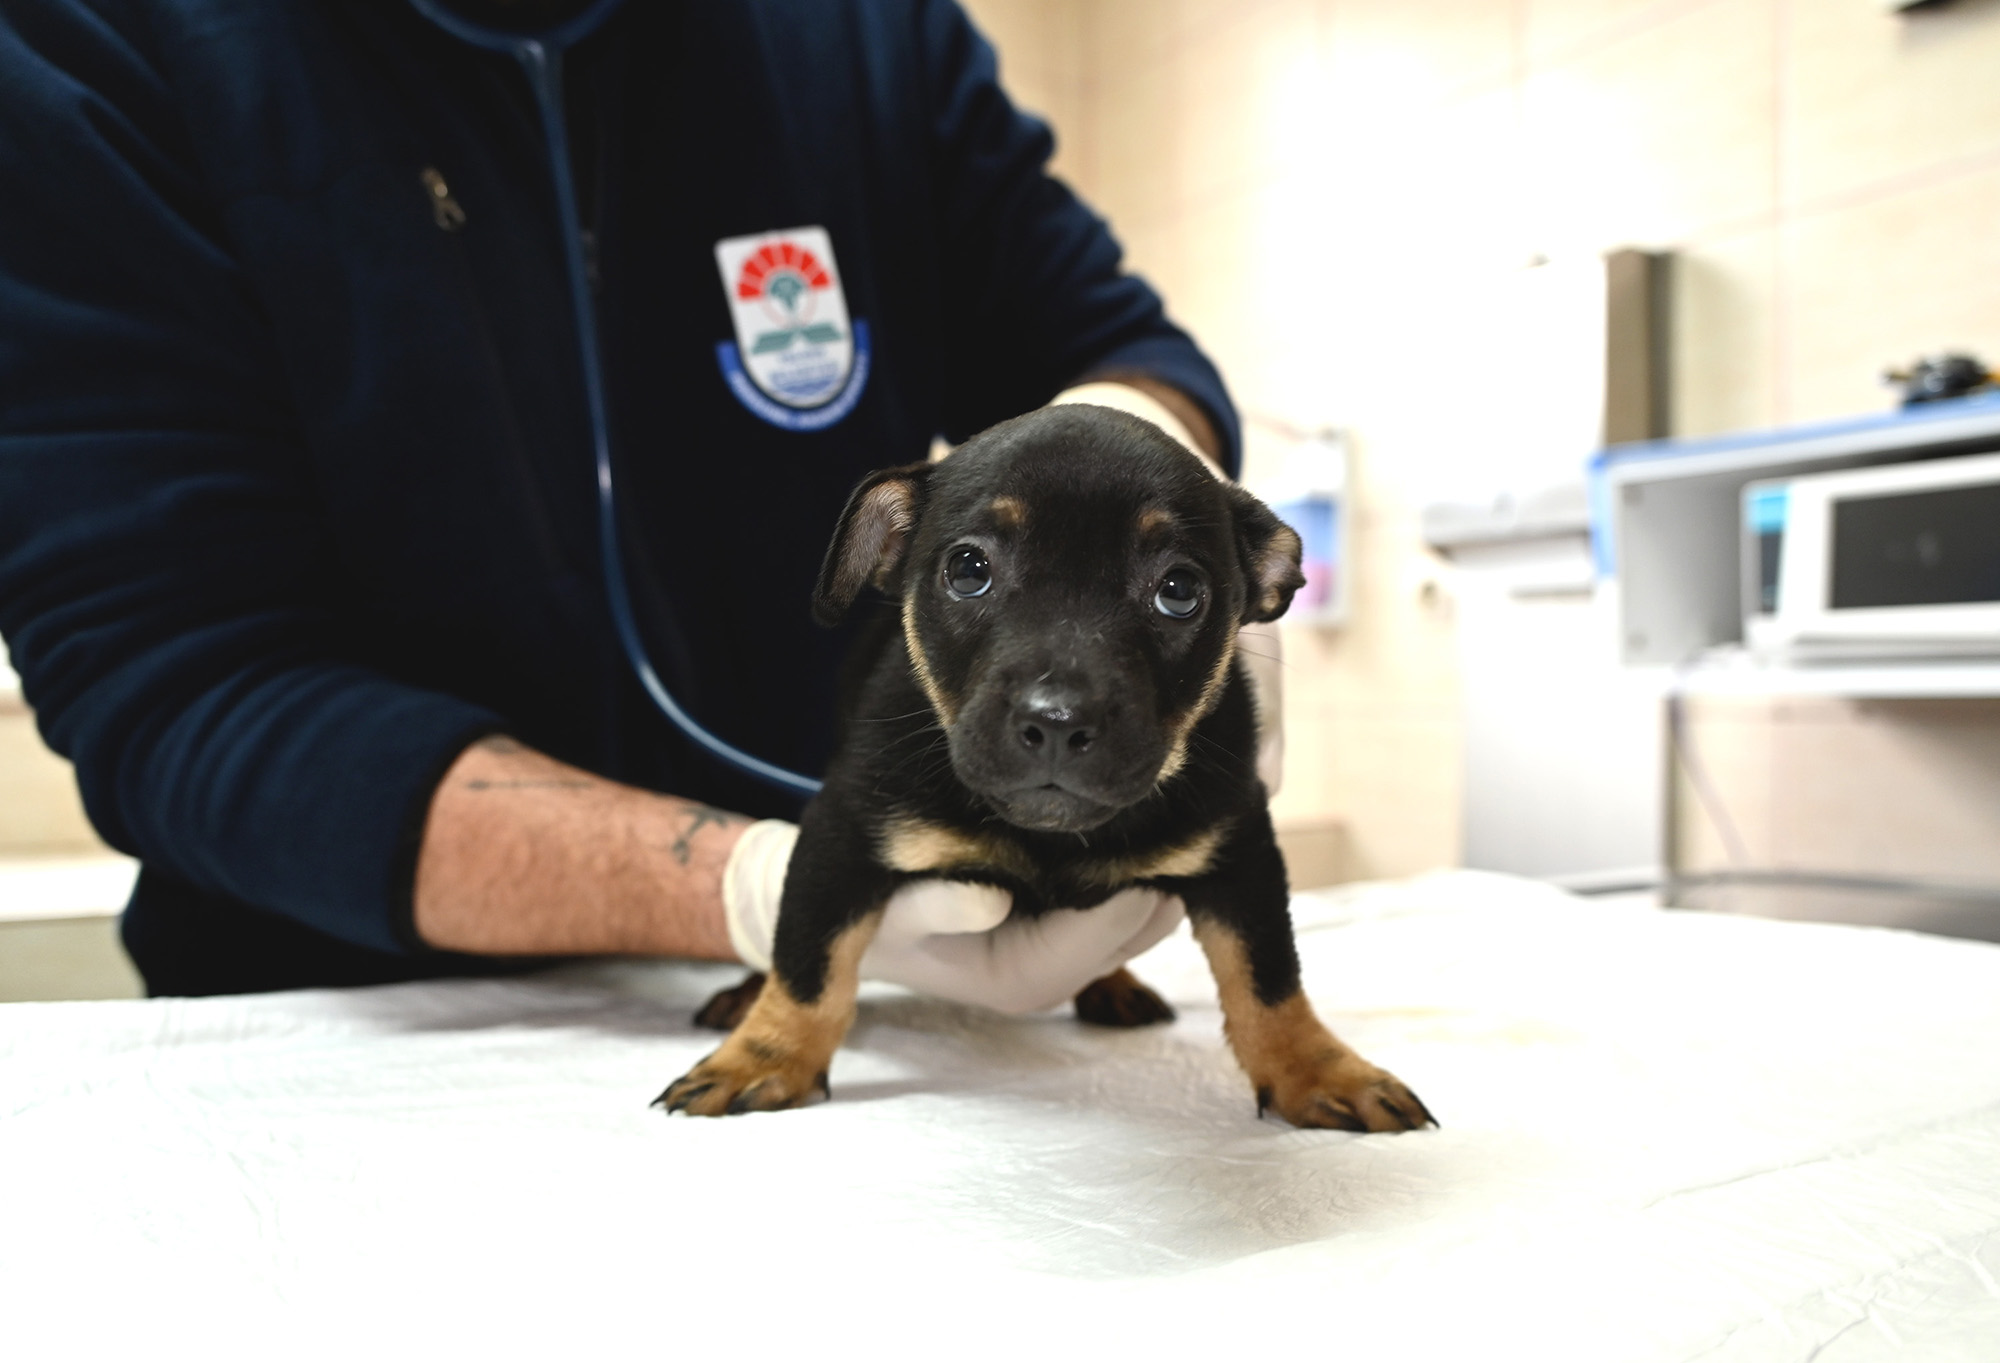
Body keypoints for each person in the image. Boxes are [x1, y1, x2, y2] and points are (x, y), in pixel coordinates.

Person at [0, 0, 1243, 1001]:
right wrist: (761, 887)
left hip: (868, 1004)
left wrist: (1181, 557)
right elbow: (177, 682)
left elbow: (1111, 344)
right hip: (360, 1022)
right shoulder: (99, 46)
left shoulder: (862, 32)